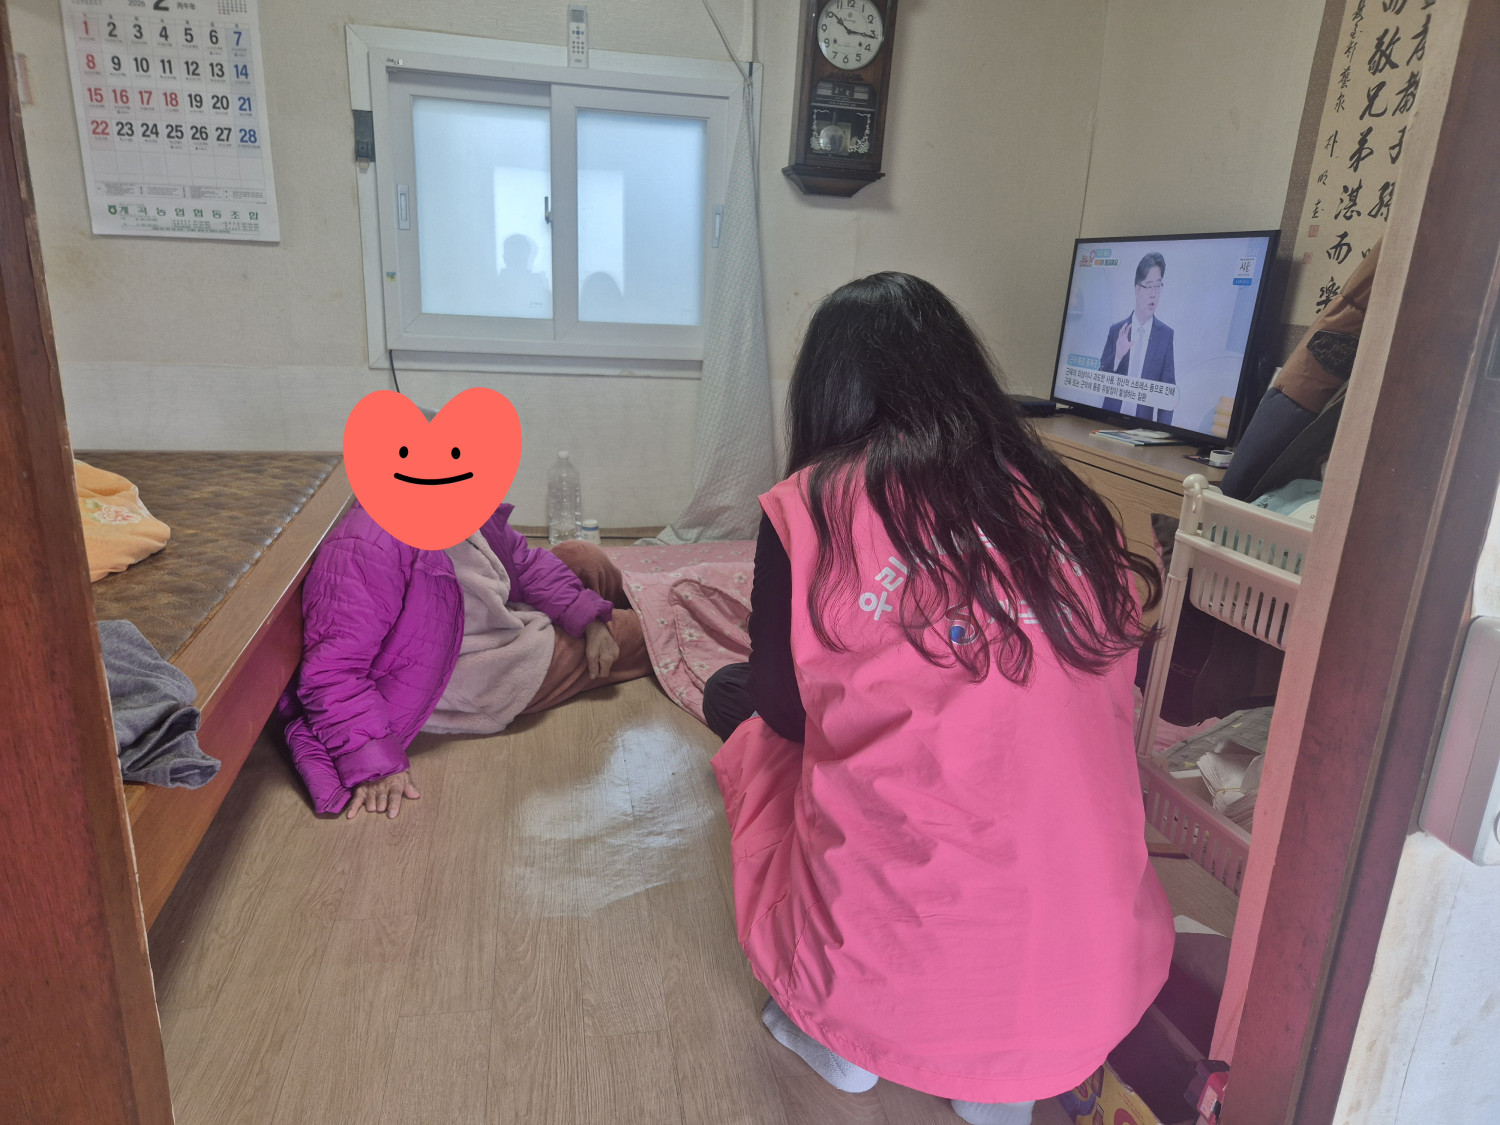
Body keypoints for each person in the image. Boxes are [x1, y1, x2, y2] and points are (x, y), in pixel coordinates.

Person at [702, 273, 1175, 1123]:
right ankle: (1005, 1077)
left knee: (745, 716)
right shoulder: (1072, 504)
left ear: (828, 395)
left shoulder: (814, 504)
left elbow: (782, 707)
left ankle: (841, 1035)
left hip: (876, 983)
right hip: (1093, 986)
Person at [277, 500, 649, 819]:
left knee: (585, 557)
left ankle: (648, 601)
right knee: (639, 632)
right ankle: (665, 612)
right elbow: (332, 671)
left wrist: (590, 617)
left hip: (488, 618)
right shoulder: (368, 544)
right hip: (464, 669)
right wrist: (374, 765)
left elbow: (521, 560)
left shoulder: (459, 498)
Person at [1100, 251, 1176, 425]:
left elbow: (1167, 393)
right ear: (1137, 289)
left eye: (1158, 286)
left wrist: (1163, 432)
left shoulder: (1165, 336)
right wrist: (1117, 356)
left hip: (1142, 429)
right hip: (1106, 422)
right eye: (1149, 286)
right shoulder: (1117, 331)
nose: (1154, 294)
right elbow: (1099, 380)